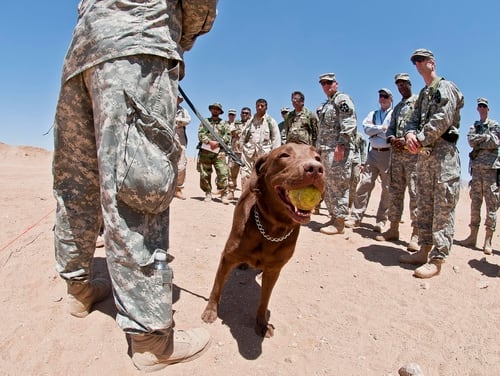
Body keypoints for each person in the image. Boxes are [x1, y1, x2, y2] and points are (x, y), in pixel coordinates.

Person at [52, 1, 217, 372]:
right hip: (137, 49)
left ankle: (78, 289)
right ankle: (151, 340)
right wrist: (179, 37)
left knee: (77, 182)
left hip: (82, 55)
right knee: (139, 187)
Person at [399, 48, 464, 279]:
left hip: (444, 157)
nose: (417, 64)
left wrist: (420, 137)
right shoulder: (423, 94)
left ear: (432, 63)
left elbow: (443, 118)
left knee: (442, 208)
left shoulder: (445, 87)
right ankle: (423, 250)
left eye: (421, 60)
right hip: (424, 158)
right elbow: (412, 120)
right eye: (414, 61)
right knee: (424, 205)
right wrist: (409, 135)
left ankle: (437, 258)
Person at [375, 73, 419, 251]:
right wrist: (393, 138)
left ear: (409, 84)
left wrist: (408, 139)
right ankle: (393, 228)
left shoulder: (419, 102)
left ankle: (416, 234)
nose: (401, 87)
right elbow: (391, 128)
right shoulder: (398, 107)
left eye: (403, 84)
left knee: (416, 194)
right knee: (395, 192)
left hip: (414, 155)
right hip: (397, 155)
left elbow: (422, 125)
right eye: (398, 85)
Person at [345, 88, 393, 233]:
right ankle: (356, 216)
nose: (382, 98)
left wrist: (377, 131)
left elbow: (390, 131)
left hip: (388, 154)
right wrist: (381, 129)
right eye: (380, 96)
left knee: (387, 189)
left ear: (391, 99)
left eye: (385, 96)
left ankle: (381, 221)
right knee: (364, 184)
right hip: (372, 153)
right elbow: (366, 128)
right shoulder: (373, 114)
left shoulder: (394, 114)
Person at [316, 73, 358, 235]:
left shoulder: (342, 100)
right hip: (326, 150)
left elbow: (349, 122)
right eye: (323, 83)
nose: (326, 86)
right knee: (329, 185)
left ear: (336, 84)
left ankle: (340, 222)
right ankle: (334, 216)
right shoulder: (328, 103)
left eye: (328, 83)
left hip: (338, 150)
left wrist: (342, 143)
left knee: (339, 184)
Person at [458, 98, 500, 255]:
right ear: (477, 109)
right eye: (480, 106)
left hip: (491, 170)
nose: (482, 108)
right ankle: (472, 237)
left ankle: (488, 240)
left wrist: (480, 140)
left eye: (484, 106)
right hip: (476, 170)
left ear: (488, 109)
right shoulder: (474, 126)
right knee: (475, 204)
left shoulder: (495, 125)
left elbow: (495, 142)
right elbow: (470, 141)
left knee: (492, 206)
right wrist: (485, 138)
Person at [239, 98, 281, 191]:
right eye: (258, 106)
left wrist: (274, 156)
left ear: (266, 107)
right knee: (245, 175)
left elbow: (276, 139)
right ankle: (245, 197)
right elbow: (243, 136)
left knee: (262, 177)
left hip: (263, 156)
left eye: (262, 106)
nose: (260, 107)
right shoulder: (250, 121)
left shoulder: (271, 122)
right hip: (248, 154)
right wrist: (241, 148)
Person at [197, 102, 231, 204]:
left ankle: (223, 193)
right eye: (213, 109)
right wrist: (209, 141)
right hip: (205, 152)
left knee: (223, 173)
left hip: (219, 152)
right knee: (204, 174)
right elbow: (200, 134)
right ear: (211, 110)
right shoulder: (205, 121)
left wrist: (218, 142)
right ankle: (208, 193)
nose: (215, 110)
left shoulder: (224, 123)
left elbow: (228, 136)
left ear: (220, 112)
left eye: (217, 109)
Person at [226, 108, 248, 201]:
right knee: (231, 174)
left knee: (245, 175)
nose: (244, 114)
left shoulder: (251, 124)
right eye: (242, 113)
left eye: (246, 113)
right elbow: (230, 131)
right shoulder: (235, 124)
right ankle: (231, 192)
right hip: (235, 152)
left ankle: (244, 195)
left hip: (246, 153)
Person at [174, 95, 191, 200]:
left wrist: (175, 120)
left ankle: (178, 189)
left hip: (180, 140)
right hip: (164, 137)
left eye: (178, 98)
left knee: (181, 166)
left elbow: (187, 120)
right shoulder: (165, 106)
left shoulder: (183, 111)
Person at [349, 132, 367, 210]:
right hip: (343, 161)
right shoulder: (342, 134)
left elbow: (363, 150)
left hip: (355, 162)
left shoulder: (360, 136)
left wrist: (363, 163)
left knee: (355, 179)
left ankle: (350, 203)